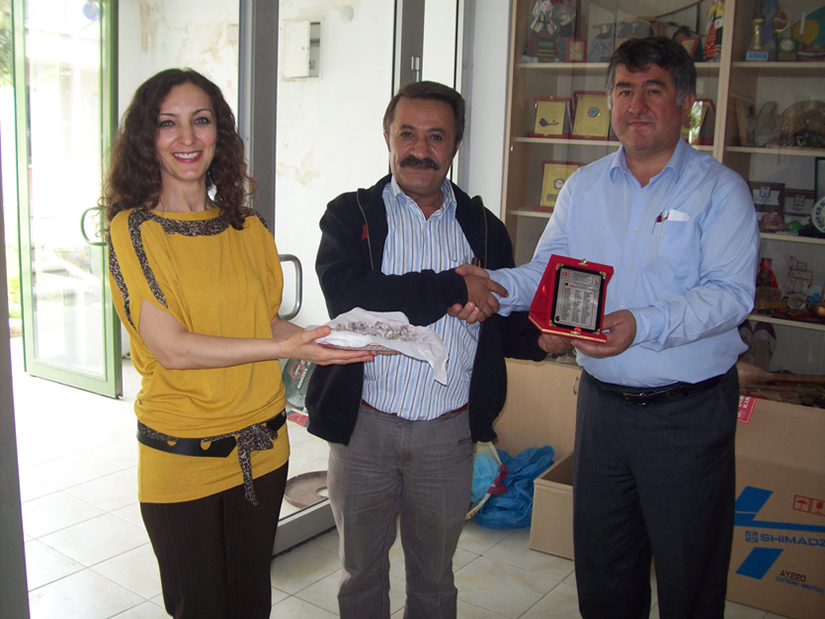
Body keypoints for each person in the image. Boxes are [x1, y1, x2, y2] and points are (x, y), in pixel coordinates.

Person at [462, 37, 760, 618]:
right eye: (624, 91)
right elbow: (548, 273)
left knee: (689, 576)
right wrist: (491, 284)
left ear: (686, 103)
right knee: (603, 571)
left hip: (687, 415)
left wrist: (640, 325)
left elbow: (730, 296)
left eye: (653, 90)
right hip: (601, 409)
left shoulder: (720, 190)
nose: (636, 106)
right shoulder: (585, 186)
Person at [102, 68, 374, 619]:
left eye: (201, 121)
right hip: (181, 455)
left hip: (264, 447)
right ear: (146, 137)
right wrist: (287, 349)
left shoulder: (249, 228)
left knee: (251, 603)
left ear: (218, 133)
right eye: (168, 123)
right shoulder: (133, 230)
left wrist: (318, 340)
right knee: (199, 607)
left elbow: (262, 323)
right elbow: (174, 349)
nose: (187, 138)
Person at [305, 81, 546, 619]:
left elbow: (501, 319)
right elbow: (350, 298)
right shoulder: (351, 215)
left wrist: (541, 338)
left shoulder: (484, 228)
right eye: (407, 134)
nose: (420, 149)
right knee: (360, 574)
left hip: (447, 433)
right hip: (364, 427)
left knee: (435, 581)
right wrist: (452, 286)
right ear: (387, 137)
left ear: (455, 145)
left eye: (436, 137)